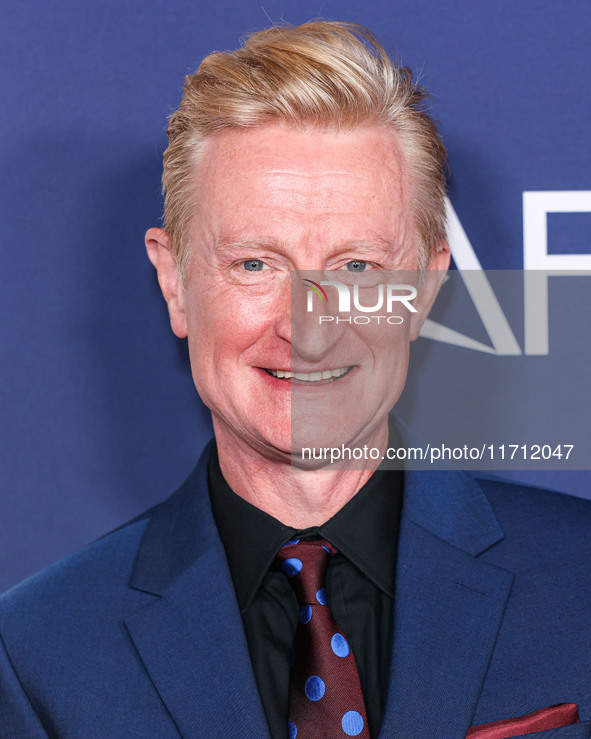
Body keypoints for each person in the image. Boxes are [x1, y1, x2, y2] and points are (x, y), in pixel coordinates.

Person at [1, 21, 590, 739]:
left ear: (426, 288)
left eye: (355, 268)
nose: (306, 327)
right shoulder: (37, 651)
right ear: (174, 282)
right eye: (255, 264)